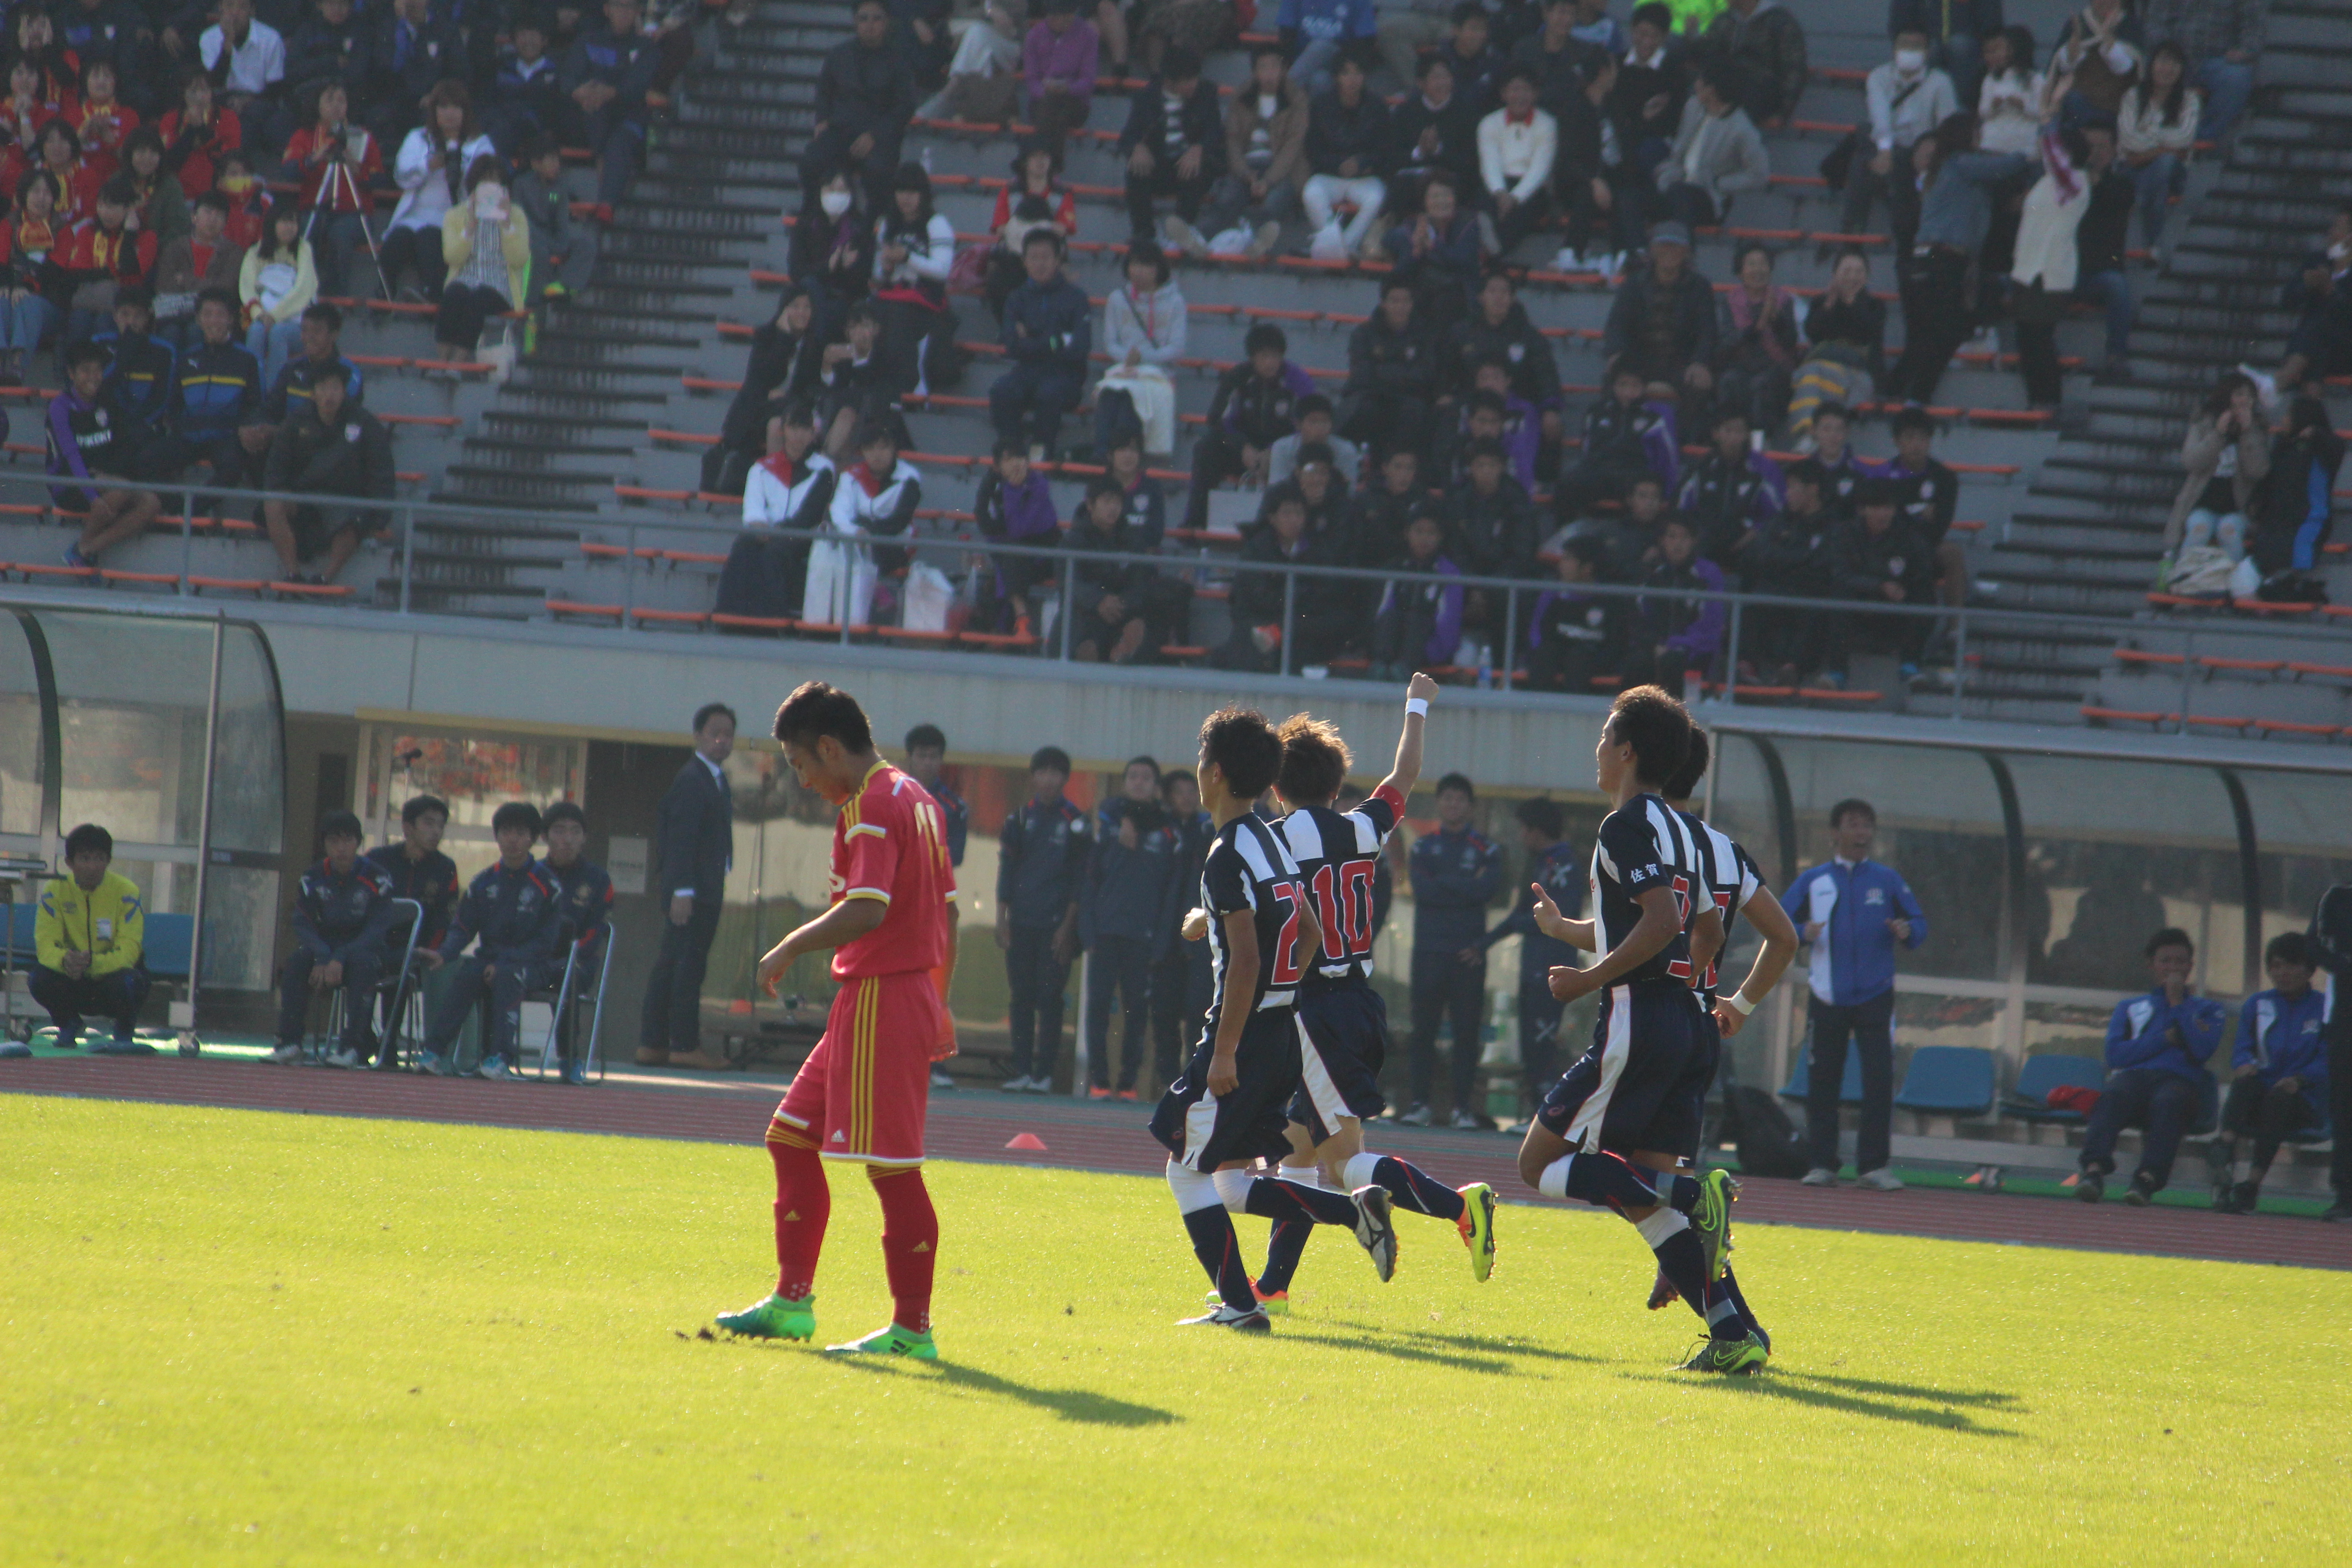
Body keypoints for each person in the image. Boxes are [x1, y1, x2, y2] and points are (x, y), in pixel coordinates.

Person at [1238, 681, 1504, 1313]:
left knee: (1345, 1167)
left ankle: (1461, 1206)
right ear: (1337, 785)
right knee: (1298, 1153)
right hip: (1358, 1002)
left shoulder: (1275, 840)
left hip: (1313, 1012)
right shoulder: (1363, 827)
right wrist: (1417, 706)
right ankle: (1273, 1284)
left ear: (1278, 785)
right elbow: (1406, 773)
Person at [713, 683, 959, 1358]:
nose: (803, 780)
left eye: (800, 764)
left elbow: (871, 908)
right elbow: (948, 911)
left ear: (828, 747)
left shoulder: (873, 803)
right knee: (791, 1138)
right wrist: (941, 998)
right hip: (884, 997)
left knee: (892, 1168)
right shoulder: (919, 799)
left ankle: (913, 1329)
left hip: (883, 995)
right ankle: (793, 1304)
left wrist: (791, 943)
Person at [1514, 686, 1750, 1373]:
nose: (1595, 751)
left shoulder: (1623, 827)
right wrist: (1679, 981)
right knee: (1636, 1196)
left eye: (1602, 739)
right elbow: (1704, 929)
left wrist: (1589, 979)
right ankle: (1735, 1331)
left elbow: (1663, 923)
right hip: (1680, 1017)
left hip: (1634, 1018)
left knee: (1537, 1164)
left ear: (1626, 752)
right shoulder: (1686, 832)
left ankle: (1694, 1191)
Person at [1148, 705, 1399, 1333]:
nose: (1198, 770)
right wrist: (1285, 993)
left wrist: (1229, 1047)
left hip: (1249, 1036)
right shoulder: (1269, 837)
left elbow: (1247, 957)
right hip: (1286, 1027)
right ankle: (1353, 1213)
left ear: (1216, 772)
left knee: (1184, 1171)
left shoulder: (1228, 853)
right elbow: (1308, 929)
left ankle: (1242, 1305)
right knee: (1229, 1185)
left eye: (1203, 759)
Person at [1649, 725, 1794, 1338]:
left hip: (1649, 1019)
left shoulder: (1640, 837)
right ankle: (1725, 1315)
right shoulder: (1724, 850)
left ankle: (1685, 1220)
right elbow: (1783, 938)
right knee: (1652, 1175)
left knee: (1583, 1162)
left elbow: (1637, 935)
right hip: (1702, 1023)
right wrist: (1741, 1004)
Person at [1780, 797, 1926, 1188]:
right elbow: (1776, 923)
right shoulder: (1814, 881)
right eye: (1853, 825)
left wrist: (1907, 931)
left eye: (1867, 826)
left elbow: (1918, 923)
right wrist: (1800, 933)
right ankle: (1822, 1163)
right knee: (1822, 1081)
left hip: (1876, 996)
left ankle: (1874, 1166)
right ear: (1835, 833)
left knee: (1879, 1080)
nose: (1861, 833)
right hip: (1826, 994)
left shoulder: (1887, 880)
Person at [410, 802, 562, 1081]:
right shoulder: (483, 882)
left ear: (532, 838)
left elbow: (546, 941)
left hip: (535, 966)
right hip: (490, 960)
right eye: (506, 832)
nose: (512, 840)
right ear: (497, 836)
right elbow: (463, 927)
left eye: (520, 833)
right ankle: (433, 1052)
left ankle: (500, 1057)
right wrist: (444, 954)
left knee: (507, 976)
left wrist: (505, 962)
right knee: (466, 975)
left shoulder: (547, 885)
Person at [1882, 123, 2031, 405]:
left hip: (1925, 260)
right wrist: (2029, 153)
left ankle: (1892, 394)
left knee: (1922, 338)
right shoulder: (1960, 164)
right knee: (1946, 333)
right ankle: (1915, 397)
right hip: (1943, 260)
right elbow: (2008, 166)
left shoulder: (1950, 176)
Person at [2077, 927, 2224, 1204]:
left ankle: (2147, 1179)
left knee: (2170, 1101)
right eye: (2165, 961)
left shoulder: (2207, 1009)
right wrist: (2166, 1038)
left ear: (2190, 967)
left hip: (2180, 1081)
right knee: (2113, 1095)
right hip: (2135, 1078)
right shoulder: (2130, 1008)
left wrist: (2178, 1004)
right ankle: (2093, 1171)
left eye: (2180, 962)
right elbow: (2116, 1056)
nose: (2173, 968)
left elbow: (2203, 1051)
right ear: (2152, 966)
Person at [638, 703, 736, 1071]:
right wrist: (682, 890)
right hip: (693, 892)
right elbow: (680, 838)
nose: (721, 740)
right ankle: (681, 1043)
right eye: (715, 732)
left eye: (728, 734)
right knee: (685, 966)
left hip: (705, 887)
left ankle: (655, 1042)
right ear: (698, 736)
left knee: (677, 964)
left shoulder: (715, 779)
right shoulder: (693, 779)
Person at [1078, 757, 1181, 1099]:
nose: (1139, 782)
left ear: (1155, 786)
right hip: (1106, 932)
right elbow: (1090, 881)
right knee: (1098, 1009)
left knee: (1136, 1013)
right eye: (1133, 776)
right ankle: (1098, 1081)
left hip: (1144, 936)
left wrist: (1163, 938)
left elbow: (1170, 892)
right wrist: (1088, 931)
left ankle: (1127, 1083)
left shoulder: (1167, 831)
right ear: (1124, 782)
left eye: (1146, 778)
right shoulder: (1108, 823)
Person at [2204, 931, 2328, 1212]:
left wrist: (2300, 1080)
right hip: (2260, 1093)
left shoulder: (2323, 1008)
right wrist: (2244, 1064)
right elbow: (2242, 1048)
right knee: (2246, 1084)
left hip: (2303, 1101)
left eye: (2291, 966)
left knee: (2279, 1101)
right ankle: (2224, 1147)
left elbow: (2328, 1059)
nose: (2282, 973)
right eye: (2276, 966)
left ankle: (2251, 1184)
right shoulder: (2258, 1005)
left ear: (2309, 969)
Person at [1402, 770, 1499, 1127]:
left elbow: (1486, 891)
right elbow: (1423, 892)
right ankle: (1419, 1105)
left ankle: (1462, 1108)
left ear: (1471, 807)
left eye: (1460, 799)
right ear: (1439, 803)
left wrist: (1444, 882)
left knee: (1466, 1033)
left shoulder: (1486, 849)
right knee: (1422, 1032)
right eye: (1447, 798)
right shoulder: (1423, 847)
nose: (1452, 804)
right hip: (1428, 952)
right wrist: (1462, 887)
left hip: (1468, 955)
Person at [1477, 794, 1582, 1117]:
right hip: (1532, 967)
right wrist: (1484, 942)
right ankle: (1538, 1114)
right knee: (1530, 1044)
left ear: (1538, 830)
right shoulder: (1540, 862)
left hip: (1553, 968)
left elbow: (1556, 919)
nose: (1522, 837)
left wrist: (1514, 928)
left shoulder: (1564, 864)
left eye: (1524, 829)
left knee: (1543, 1044)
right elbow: (1521, 914)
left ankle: (1549, 1116)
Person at [270, 809, 398, 1068]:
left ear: (358, 843)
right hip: (325, 948)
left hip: (365, 949)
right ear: (325, 844)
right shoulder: (312, 877)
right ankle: (290, 1042)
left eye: (348, 841)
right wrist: (321, 955)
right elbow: (303, 921)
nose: (341, 848)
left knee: (363, 967)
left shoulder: (378, 878)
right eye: (334, 842)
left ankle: (352, 1046)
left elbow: (377, 928)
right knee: (296, 964)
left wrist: (340, 957)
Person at [997, 744, 1088, 1093]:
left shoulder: (1076, 822)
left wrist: (1068, 928)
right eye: (1043, 772)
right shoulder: (1018, 820)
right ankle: (1021, 1070)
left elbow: (1080, 881)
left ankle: (1044, 1075)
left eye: (1056, 773)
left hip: (1055, 927)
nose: (1048, 779)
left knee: (1050, 999)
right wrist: (1001, 919)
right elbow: (1007, 872)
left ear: (1065, 778)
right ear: (1034, 776)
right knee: (1021, 997)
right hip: (1021, 923)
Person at [260, 361, 389, 584]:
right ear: (313, 393)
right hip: (302, 498)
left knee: (353, 524)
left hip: (346, 501)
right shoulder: (295, 422)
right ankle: (293, 573)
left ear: (344, 391)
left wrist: (380, 518)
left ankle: (326, 578)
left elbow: (381, 471)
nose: (329, 395)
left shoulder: (366, 424)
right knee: (273, 504)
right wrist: (283, 490)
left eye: (335, 388)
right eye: (322, 388)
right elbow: (276, 468)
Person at [26, 822, 149, 1055]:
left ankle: (124, 1031)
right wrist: (66, 960)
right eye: (85, 858)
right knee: (38, 978)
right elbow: (45, 944)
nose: (93, 867)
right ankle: (69, 1024)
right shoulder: (55, 891)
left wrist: (94, 963)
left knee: (133, 980)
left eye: (100, 858)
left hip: (111, 979)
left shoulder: (127, 892)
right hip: (72, 976)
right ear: (69, 863)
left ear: (109, 861)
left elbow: (130, 949)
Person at [1184, 322, 1313, 530]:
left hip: (1285, 453)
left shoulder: (1297, 381)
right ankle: (1196, 523)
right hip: (1241, 451)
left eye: (1276, 356)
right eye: (1264, 356)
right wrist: (1241, 446)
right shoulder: (1238, 379)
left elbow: (1310, 420)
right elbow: (1216, 422)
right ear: (1253, 357)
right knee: (1206, 447)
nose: (1271, 363)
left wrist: (1276, 451)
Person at [378, 81, 495, 303]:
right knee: (394, 244)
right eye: (443, 107)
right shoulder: (419, 138)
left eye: (456, 107)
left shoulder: (480, 143)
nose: (449, 113)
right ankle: (385, 296)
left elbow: (489, 185)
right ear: (434, 111)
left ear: (465, 111)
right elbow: (402, 176)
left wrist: (461, 170)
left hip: (454, 218)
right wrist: (429, 166)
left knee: (429, 239)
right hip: (415, 215)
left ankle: (433, 297)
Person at [49, 341, 160, 568]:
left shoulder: (107, 401)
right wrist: (93, 497)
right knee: (121, 490)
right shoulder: (60, 407)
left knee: (152, 503)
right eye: (86, 371)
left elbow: (123, 444)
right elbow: (71, 456)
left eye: (98, 370)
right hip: (67, 481)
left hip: (103, 479)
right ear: (71, 374)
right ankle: (82, 553)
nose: (94, 377)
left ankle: (84, 549)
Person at [1843, 27, 1958, 247]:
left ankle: (1903, 237)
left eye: (1916, 47)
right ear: (1895, 48)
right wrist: (1885, 150)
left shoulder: (1940, 82)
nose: (1909, 51)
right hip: (1884, 146)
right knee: (1862, 158)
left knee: (1887, 165)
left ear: (1927, 51)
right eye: (1904, 45)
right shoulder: (1879, 76)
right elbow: (1880, 115)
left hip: (1919, 150)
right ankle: (1852, 234)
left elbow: (1948, 126)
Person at [717, 406, 833, 620]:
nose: (798, 435)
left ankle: (772, 618)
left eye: (804, 429)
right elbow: (753, 508)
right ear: (783, 431)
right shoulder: (761, 468)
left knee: (775, 552)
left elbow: (809, 516)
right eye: (793, 428)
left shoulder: (825, 470)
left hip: (803, 535)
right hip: (768, 532)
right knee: (743, 546)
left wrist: (775, 531)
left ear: (812, 434)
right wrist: (759, 525)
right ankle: (729, 615)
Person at [705, 286, 819, 496]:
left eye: (807, 307)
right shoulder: (766, 336)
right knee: (776, 424)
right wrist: (785, 337)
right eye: (795, 306)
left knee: (784, 423)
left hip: (790, 408)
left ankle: (782, 489)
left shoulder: (814, 344)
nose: (802, 312)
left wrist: (788, 398)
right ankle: (773, 490)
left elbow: (811, 386)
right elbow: (764, 378)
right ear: (784, 310)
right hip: (756, 411)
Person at [801, 0, 913, 210]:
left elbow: (905, 106)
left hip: (878, 137)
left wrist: (876, 135)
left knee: (878, 171)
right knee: (811, 162)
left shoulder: (899, 60)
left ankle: (871, 224)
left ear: (887, 22)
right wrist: (822, 120)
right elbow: (824, 91)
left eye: (877, 18)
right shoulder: (838, 55)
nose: (870, 25)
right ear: (855, 22)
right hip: (840, 131)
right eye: (864, 19)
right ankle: (813, 214)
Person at [806, 418, 919, 626]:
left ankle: (846, 623)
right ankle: (837, 619)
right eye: (871, 448)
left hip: (893, 545)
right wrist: (857, 532)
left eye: (883, 448)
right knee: (837, 546)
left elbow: (899, 522)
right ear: (863, 451)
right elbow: (839, 510)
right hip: (854, 541)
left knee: (846, 548)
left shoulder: (909, 479)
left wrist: (866, 532)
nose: (877, 454)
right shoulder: (852, 475)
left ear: (894, 449)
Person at [1199, 46, 1307, 262]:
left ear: (1284, 70)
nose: (1269, 74)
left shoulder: (1297, 99)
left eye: (1275, 67)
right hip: (1247, 167)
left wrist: (1267, 181)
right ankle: (1197, 242)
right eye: (1263, 68)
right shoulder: (1242, 96)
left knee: (1273, 203)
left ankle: (1255, 251)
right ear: (1255, 72)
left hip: (1283, 170)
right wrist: (1246, 174)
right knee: (1227, 200)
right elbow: (1233, 141)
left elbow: (1292, 148)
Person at [148, 288, 261, 492]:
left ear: (231, 320)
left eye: (220, 314)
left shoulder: (246, 360)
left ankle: (192, 513)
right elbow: (174, 403)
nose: (213, 321)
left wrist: (236, 430)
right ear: (198, 320)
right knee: (146, 460)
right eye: (207, 315)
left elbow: (253, 404)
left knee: (233, 470)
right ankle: (177, 513)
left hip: (225, 438)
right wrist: (181, 427)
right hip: (189, 436)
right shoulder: (186, 358)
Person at [989, 228, 1088, 459]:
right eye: (1034, 257)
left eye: (1046, 257)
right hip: (1026, 372)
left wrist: (1033, 341)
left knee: (1049, 393)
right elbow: (1012, 346)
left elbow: (1080, 347)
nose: (1040, 264)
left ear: (1057, 260)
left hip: (1066, 376)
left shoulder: (1076, 298)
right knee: (1001, 391)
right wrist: (1055, 341)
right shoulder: (1017, 298)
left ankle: (1041, 455)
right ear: (1024, 262)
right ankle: (1012, 453)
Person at [1741, 458, 1841, 680]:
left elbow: (1823, 565)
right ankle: (1746, 670)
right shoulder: (1779, 521)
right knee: (1748, 607)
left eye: (1793, 487)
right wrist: (1798, 558)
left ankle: (1790, 672)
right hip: (1773, 591)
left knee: (1814, 610)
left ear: (1813, 489)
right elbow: (1759, 554)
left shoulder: (1833, 526)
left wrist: (1784, 560)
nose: (1787, 494)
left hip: (1808, 595)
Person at [1117, 46, 1225, 253]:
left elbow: (1215, 131)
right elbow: (1128, 136)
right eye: (1188, 80)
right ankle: (1144, 232)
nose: (1194, 85)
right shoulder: (1146, 98)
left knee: (1197, 170)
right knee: (1135, 170)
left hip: (1190, 165)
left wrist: (1199, 149)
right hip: (1160, 164)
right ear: (1170, 82)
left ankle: (1182, 230)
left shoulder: (1207, 93)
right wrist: (1137, 148)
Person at [535, 800, 612, 1085]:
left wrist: (571, 954)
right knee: (498, 972)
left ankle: (569, 1059)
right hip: (534, 959)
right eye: (558, 831)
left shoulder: (597, 879)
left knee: (567, 976)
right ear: (544, 837)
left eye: (575, 832)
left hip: (578, 962)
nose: (567, 839)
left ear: (584, 838)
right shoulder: (534, 873)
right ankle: (497, 1056)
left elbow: (596, 930)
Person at [2160, 371, 2268, 575]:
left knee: (2230, 532)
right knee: (2199, 529)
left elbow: (2259, 471)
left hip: (2238, 508)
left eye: (2249, 396)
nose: (2244, 401)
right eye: (2239, 394)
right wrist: (2217, 434)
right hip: (2202, 503)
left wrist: (2248, 432)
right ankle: (2185, 580)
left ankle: (2233, 585)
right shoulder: (2205, 422)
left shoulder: (2258, 428)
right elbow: (2191, 461)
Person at [1601, 221, 1715, 415]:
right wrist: (1617, 353)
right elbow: (1616, 325)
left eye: (1676, 246)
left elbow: (1708, 331)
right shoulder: (1634, 283)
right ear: (1652, 250)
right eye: (1663, 245)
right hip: (1641, 359)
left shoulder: (1700, 287)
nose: (1669, 251)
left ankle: (1681, 440)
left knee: (1700, 385)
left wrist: (1700, 362)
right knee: (1614, 378)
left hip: (1681, 362)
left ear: (1686, 252)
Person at [279, 80, 378, 298]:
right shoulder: (304, 136)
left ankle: (334, 297)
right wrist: (317, 156)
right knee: (302, 231)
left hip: (354, 213)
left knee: (340, 234)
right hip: (313, 209)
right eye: (330, 100)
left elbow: (378, 179)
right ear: (318, 106)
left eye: (341, 100)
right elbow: (289, 172)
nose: (336, 106)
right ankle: (300, 292)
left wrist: (356, 168)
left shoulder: (362, 136)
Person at [869, 162, 956, 398]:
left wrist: (908, 258)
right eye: (901, 191)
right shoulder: (889, 224)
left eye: (912, 192)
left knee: (899, 318)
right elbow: (879, 274)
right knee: (867, 315)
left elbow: (942, 271)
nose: (906, 198)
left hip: (926, 300)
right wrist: (885, 269)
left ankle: (907, 386)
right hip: (893, 293)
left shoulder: (936, 224)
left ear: (923, 194)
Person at [1095, 239, 1185, 457]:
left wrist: (1145, 358)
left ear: (1159, 269)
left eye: (1146, 266)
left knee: (1130, 404)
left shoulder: (1175, 302)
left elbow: (1177, 347)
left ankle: (1126, 456)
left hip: (1157, 373)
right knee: (1108, 396)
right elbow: (1110, 343)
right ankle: (1104, 455)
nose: (1139, 271)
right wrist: (1128, 358)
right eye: (1135, 265)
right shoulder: (1117, 299)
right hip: (1124, 370)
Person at [1654, 60, 1767, 232]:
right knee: (1632, 194)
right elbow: (1680, 149)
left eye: (1700, 81)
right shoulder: (1693, 107)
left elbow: (1759, 174)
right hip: (1676, 179)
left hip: (1706, 195)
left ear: (1711, 90)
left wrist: (1720, 183)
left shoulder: (1742, 129)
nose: (1696, 84)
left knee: (1679, 195)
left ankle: (1684, 251)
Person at [1339, 277, 1441, 465]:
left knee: (1416, 412)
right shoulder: (1364, 333)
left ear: (1412, 304)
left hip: (1410, 398)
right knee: (1363, 410)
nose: (1400, 307)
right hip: (1373, 396)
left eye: (1406, 301)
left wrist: (1386, 373)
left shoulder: (1425, 335)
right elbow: (1362, 374)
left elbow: (1426, 374)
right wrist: (1400, 374)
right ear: (1384, 303)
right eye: (1395, 301)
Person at [1559, 358, 1679, 516]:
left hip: (1635, 474)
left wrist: (1669, 493)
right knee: (1567, 485)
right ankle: (1569, 533)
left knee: (1643, 494)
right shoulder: (1597, 412)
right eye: (1623, 385)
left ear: (1644, 387)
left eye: (1635, 385)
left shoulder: (1656, 416)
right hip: (1600, 472)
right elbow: (1587, 450)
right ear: (1613, 386)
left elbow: (1668, 458)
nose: (1629, 391)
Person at [2069, 120, 2137, 384]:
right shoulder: (2068, 184)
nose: (2094, 153)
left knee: (2116, 285)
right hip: (2064, 269)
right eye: (2089, 147)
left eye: (2100, 147)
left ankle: (2116, 356)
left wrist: (2096, 182)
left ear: (2112, 151)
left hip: (2098, 271)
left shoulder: (2122, 183)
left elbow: (2118, 202)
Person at [2116, 41, 2198, 258]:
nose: (2167, 69)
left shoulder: (2190, 100)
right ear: (2152, 65)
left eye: (2175, 64)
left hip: (2172, 173)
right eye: (2162, 62)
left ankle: (2150, 235)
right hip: (2133, 169)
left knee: (2165, 165)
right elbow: (2128, 139)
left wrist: (2149, 138)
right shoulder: (2133, 97)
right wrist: (2163, 145)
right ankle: (2152, 244)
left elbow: (2185, 137)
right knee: (2156, 174)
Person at [2248, 395, 2344, 578]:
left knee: (2299, 560)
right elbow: (2269, 478)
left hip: (2310, 518)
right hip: (2278, 518)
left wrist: (2316, 434)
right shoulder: (2282, 445)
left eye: (2289, 415)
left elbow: (2336, 449)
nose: (2284, 420)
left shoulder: (2323, 447)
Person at [982, 138, 1076, 323]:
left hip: (1048, 258)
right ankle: (1007, 329)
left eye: (1045, 157)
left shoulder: (1062, 193)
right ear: (1025, 163)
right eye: (1035, 158)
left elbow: (1065, 228)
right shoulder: (1009, 191)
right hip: (1013, 258)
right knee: (998, 282)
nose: (1040, 162)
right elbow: (1000, 228)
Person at [2139, 0, 2259, 144]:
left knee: (2237, 77)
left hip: (2217, 61)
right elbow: (2154, 21)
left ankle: (2201, 137)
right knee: (2136, 64)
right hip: (2173, 55)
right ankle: (2147, 131)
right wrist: (2167, 51)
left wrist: (2244, 50)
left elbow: (2254, 26)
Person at [1379, 169, 1486, 331]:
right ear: (1425, 202)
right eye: (1435, 197)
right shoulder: (1415, 226)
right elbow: (1401, 272)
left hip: (1459, 296)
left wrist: (1435, 246)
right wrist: (1415, 249)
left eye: (1446, 196)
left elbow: (1464, 261)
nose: (1441, 201)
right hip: (1423, 295)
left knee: (1445, 304)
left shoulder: (1468, 223)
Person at [1677, 406, 1779, 568]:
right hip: (1705, 544)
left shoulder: (1764, 469)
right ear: (1716, 434)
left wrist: (1753, 534)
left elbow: (1776, 516)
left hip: (1746, 545)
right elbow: (1681, 511)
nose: (1733, 438)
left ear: (1747, 435)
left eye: (1739, 432)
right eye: (1728, 431)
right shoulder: (1701, 468)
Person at [1370, 506, 1465, 678]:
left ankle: (1402, 670)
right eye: (1419, 531)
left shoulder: (1449, 573)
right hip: (1390, 651)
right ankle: (1381, 669)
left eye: (1431, 533)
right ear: (1407, 534)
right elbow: (1382, 612)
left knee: (1417, 620)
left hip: (1426, 653)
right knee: (1393, 617)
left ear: (1440, 537)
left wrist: (1430, 655)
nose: (1424, 539)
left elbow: (1448, 624)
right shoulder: (1396, 568)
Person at [1479, 67, 1558, 250]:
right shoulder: (1489, 123)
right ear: (1504, 94)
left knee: (1520, 214)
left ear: (1536, 94)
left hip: (1532, 188)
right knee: (1484, 209)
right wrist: (1500, 193)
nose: (1520, 96)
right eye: (1514, 90)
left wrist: (1514, 198)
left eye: (1526, 90)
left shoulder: (1547, 124)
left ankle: (1496, 254)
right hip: (1498, 186)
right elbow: (1489, 162)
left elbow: (1540, 168)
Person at [152, 191, 243, 349]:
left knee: (197, 330)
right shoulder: (174, 248)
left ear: (226, 223)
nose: (213, 220)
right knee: (170, 332)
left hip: (214, 316)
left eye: (219, 216)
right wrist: (206, 289)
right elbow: (164, 287)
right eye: (207, 212)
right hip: (175, 315)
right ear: (194, 216)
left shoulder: (234, 252)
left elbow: (226, 288)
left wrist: (187, 281)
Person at [237, 206, 314, 387]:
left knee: (278, 333)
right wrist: (259, 314)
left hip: (297, 325)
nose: (290, 227)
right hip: (263, 317)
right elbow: (247, 288)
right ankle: (251, 390)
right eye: (284, 222)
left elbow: (304, 289)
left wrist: (275, 316)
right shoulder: (255, 252)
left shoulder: (304, 249)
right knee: (256, 330)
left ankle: (273, 395)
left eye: (293, 222)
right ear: (272, 224)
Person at [512, 136, 597, 302]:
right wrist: (549, 242)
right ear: (536, 163)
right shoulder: (521, 184)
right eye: (550, 161)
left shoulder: (560, 187)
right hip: (527, 236)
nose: (556, 166)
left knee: (586, 244)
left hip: (551, 236)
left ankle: (565, 286)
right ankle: (532, 302)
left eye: (557, 161)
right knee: (538, 250)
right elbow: (520, 220)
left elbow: (561, 221)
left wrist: (560, 242)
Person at [198, 0, 288, 155]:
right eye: (230, 6)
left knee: (252, 121)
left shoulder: (271, 39)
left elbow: (276, 90)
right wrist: (227, 44)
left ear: (251, 11)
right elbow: (214, 83)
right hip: (222, 99)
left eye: (242, 7)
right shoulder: (209, 38)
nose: (235, 13)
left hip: (260, 100)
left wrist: (248, 101)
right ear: (221, 9)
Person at [790, 171, 873, 337]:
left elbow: (864, 283)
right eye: (831, 190)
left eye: (842, 191)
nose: (836, 196)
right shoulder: (806, 225)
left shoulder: (860, 229)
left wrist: (849, 268)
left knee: (833, 313)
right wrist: (827, 267)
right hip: (810, 295)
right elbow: (796, 271)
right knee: (808, 291)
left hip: (844, 298)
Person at [1701, 0, 1805, 125]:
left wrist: (1782, 113)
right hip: (1723, 100)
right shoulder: (1724, 20)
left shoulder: (1780, 22)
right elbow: (1708, 56)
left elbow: (1794, 69)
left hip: (1759, 104)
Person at [922, 0, 1022, 126]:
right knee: (978, 41)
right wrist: (988, 11)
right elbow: (959, 14)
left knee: (977, 32)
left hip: (1010, 45)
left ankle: (952, 89)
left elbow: (1011, 19)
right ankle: (977, 108)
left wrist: (989, 16)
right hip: (982, 47)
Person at [1021, 0, 1099, 149]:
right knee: (1053, 109)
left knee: (1055, 111)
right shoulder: (1034, 36)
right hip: (1043, 100)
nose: (1064, 21)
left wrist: (1067, 89)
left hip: (1074, 101)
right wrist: (1046, 91)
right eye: (1058, 16)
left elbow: (1088, 80)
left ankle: (1041, 156)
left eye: (1068, 16)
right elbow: (1032, 80)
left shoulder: (1088, 35)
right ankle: (1052, 161)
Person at [2051, 0, 2145, 123]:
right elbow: (2062, 67)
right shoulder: (2079, 22)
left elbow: (2127, 68)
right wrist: (2075, 41)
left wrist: (2107, 36)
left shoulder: (2130, 26)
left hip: (2117, 106)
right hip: (2080, 104)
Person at [1280, 0, 1377, 100]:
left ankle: (1289, 83)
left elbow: (1366, 40)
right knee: (1320, 80)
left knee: (1320, 46)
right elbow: (1286, 34)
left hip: (1338, 59)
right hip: (1303, 61)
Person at [1975, 25, 2045, 158]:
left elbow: (2042, 112)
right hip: (1993, 145)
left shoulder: (2036, 79)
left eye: (2002, 48)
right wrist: (1994, 105)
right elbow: (1983, 112)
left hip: (2022, 148)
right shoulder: (1991, 79)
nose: (1999, 54)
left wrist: (2023, 106)